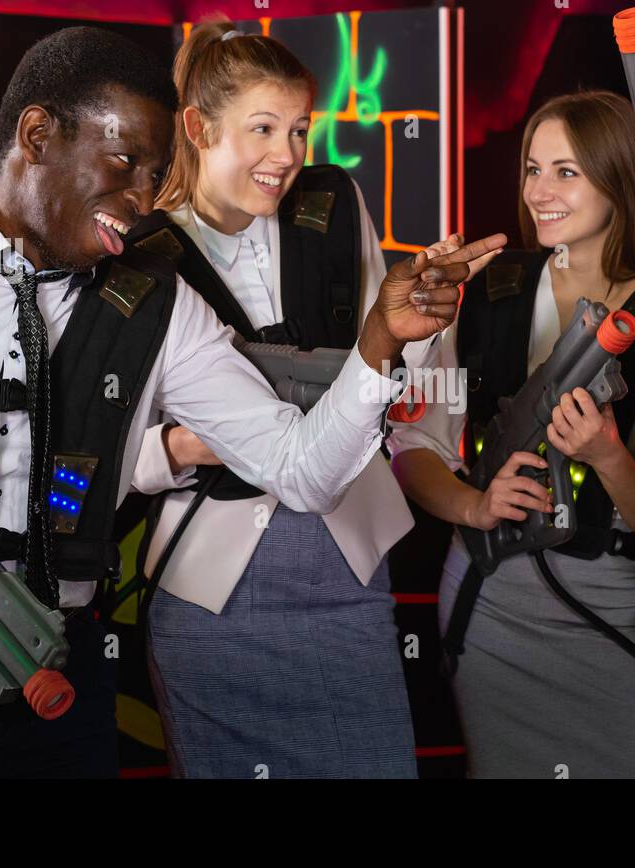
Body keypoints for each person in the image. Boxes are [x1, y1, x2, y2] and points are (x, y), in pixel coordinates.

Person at [0, 26, 502, 778]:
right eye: (124, 164)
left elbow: (302, 471)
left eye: (155, 174)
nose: (143, 198)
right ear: (38, 134)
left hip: (63, 687)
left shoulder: (161, 308)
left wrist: (380, 341)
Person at [124, 21, 465, 779]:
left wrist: (428, 318)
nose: (288, 155)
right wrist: (182, 448)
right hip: (213, 590)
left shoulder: (333, 201)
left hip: (347, 567)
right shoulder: (144, 253)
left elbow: (390, 364)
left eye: (300, 130)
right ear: (197, 127)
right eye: (264, 129)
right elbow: (108, 444)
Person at [389, 91, 635, 778]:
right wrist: (472, 505)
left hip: (620, 607)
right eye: (532, 168)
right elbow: (411, 449)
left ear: (619, 178)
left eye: (567, 172)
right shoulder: (487, 291)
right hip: (493, 597)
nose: (540, 192)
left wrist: (607, 455)